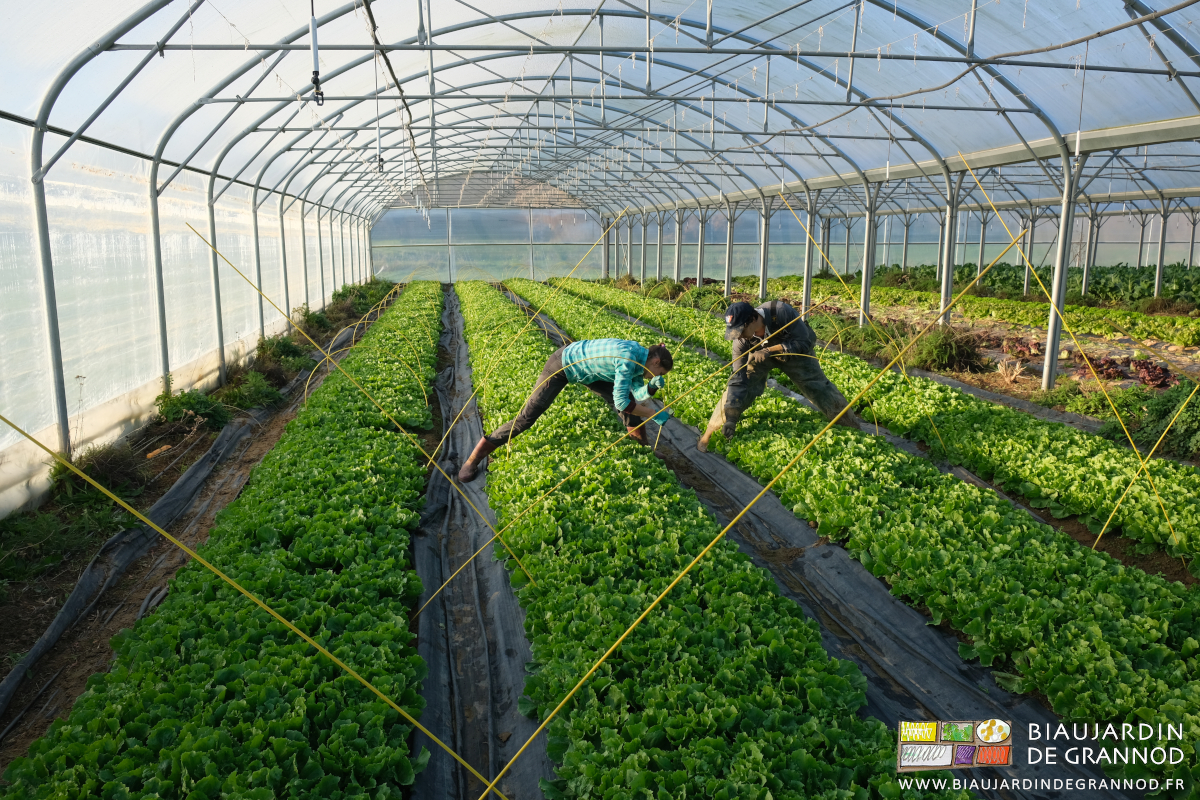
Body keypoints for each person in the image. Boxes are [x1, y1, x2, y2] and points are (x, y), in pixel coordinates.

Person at [458, 339, 674, 482]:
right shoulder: (627, 359)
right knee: (526, 418)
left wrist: (651, 388)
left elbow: (635, 393)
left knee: (628, 400)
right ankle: (473, 459)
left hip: (591, 371)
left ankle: (644, 448)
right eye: (659, 372)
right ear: (655, 361)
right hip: (563, 364)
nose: (655, 375)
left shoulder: (640, 356)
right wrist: (654, 414)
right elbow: (621, 404)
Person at [698, 300, 861, 452]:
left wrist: (770, 350)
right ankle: (709, 433)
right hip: (759, 357)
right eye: (735, 333)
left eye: (740, 331)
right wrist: (732, 417)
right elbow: (738, 379)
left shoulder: (781, 312)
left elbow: (804, 343)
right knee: (744, 384)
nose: (738, 336)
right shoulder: (741, 343)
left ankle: (852, 426)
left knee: (818, 386)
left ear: (753, 319)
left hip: (793, 353)